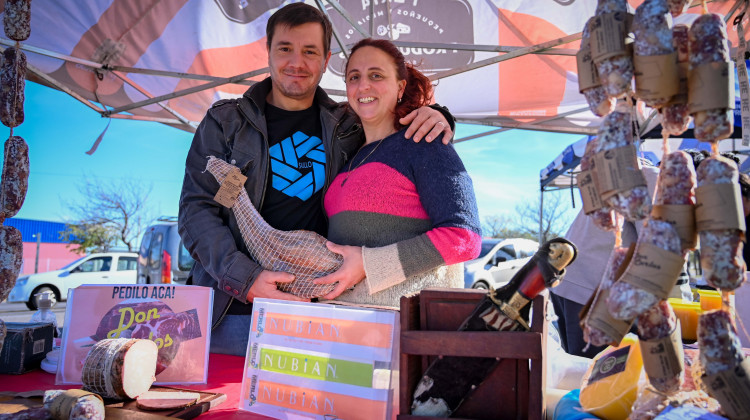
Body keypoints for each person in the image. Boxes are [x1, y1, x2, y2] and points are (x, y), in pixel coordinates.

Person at [178, 3, 455, 355]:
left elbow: (394, 126)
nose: (297, 62)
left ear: (326, 61)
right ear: (268, 53)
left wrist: (438, 115)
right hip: (232, 312)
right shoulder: (227, 123)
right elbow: (196, 211)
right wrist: (245, 279)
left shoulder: (347, 124)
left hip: (318, 311)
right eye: (285, 49)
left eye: (309, 51)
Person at [312, 38, 482, 307]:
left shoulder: (424, 142)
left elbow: (464, 237)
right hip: (338, 328)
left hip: (398, 330)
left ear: (400, 86)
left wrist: (370, 264)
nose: (363, 85)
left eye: (376, 75)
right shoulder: (350, 155)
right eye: (353, 77)